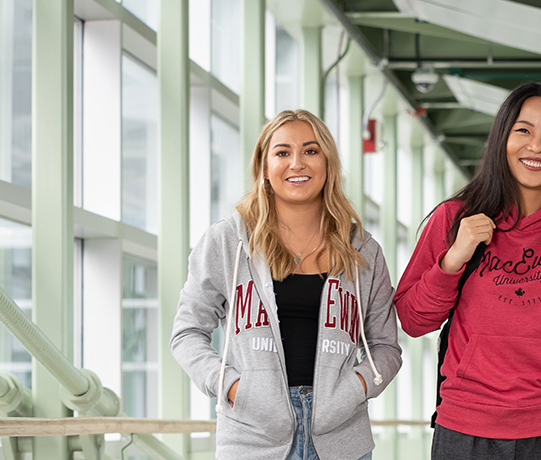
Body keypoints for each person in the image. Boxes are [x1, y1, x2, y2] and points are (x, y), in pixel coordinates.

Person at [395, 82, 541, 460]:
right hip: (466, 426)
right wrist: (453, 259)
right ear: (502, 138)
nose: (536, 146)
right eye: (523, 130)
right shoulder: (454, 219)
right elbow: (412, 319)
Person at [171, 109, 402, 460]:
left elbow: (385, 346)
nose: (297, 163)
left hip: (342, 439)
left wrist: (355, 389)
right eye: (282, 153)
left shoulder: (363, 250)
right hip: (252, 439)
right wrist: (233, 388)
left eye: (311, 151)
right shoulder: (227, 241)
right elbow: (187, 333)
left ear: (328, 164)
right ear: (264, 168)